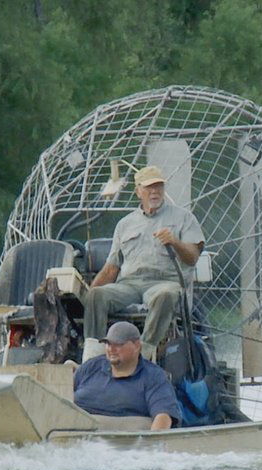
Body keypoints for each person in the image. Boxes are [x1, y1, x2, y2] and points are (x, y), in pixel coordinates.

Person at [83, 165, 205, 361]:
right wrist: (87, 294)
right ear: (138, 191)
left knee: (167, 294)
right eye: (149, 187)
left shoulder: (184, 218)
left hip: (164, 283)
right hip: (129, 286)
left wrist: (175, 241)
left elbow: (192, 257)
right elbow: (111, 268)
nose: (154, 191)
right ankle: (92, 359)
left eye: (158, 186)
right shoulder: (125, 224)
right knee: (96, 295)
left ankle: (144, 354)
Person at [72, 321, 180, 430]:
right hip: (76, 439)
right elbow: (61, 398)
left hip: (127, 442)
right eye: (108, 344)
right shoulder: (91, 367)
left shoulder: (153, 376)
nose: (111, 349)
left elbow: (163, 416)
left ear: (137, 346)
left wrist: (151, 445)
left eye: (118, 344)